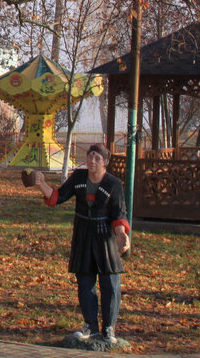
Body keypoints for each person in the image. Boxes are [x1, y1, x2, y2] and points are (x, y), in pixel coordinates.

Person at [25, 142, 130, 344]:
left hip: (105, 239)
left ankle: (109, 328)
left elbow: (119, 213)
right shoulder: (79, 178)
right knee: (85, 283)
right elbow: (57, 197)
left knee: (110, 283)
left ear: (105, 162)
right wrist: (41, 183)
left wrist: (121, 234)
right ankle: (90, 325)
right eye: (90, 156)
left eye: (97, 158)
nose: (92, 161)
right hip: (83, 235)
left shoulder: (113, 184)